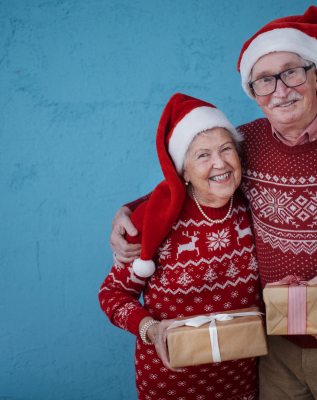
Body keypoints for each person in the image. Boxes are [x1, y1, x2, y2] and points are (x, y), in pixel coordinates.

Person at [112, 6, 317, 399]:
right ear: (253, 93)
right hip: (272, 351)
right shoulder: (246, 144)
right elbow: (192, 178)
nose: (280, 90)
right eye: (265, 80)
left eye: (291, 72)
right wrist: (128, 211)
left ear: (316, 75)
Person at [99, 93, 262, 400]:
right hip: (172, 380)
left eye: (226, 149)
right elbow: (111, 294)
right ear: (183, 171)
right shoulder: (154, 220)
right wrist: (149, 328)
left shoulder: (253, 203)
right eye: (202, 155)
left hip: (242, 380)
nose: (219, 163)